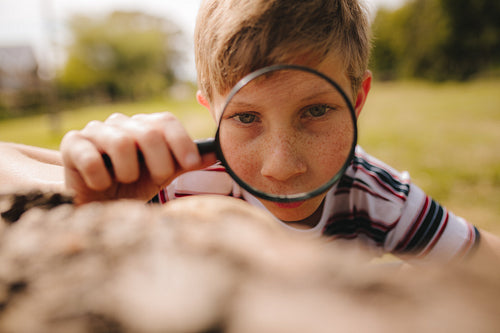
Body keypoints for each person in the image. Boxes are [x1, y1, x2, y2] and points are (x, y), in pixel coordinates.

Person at [1, 0, 499, 263]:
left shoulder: (373, 197)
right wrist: (81, 189)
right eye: (245, 117)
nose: (282, 165)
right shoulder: (170, 183)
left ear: (358, 98)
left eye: (316, 111)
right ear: (210, 109)